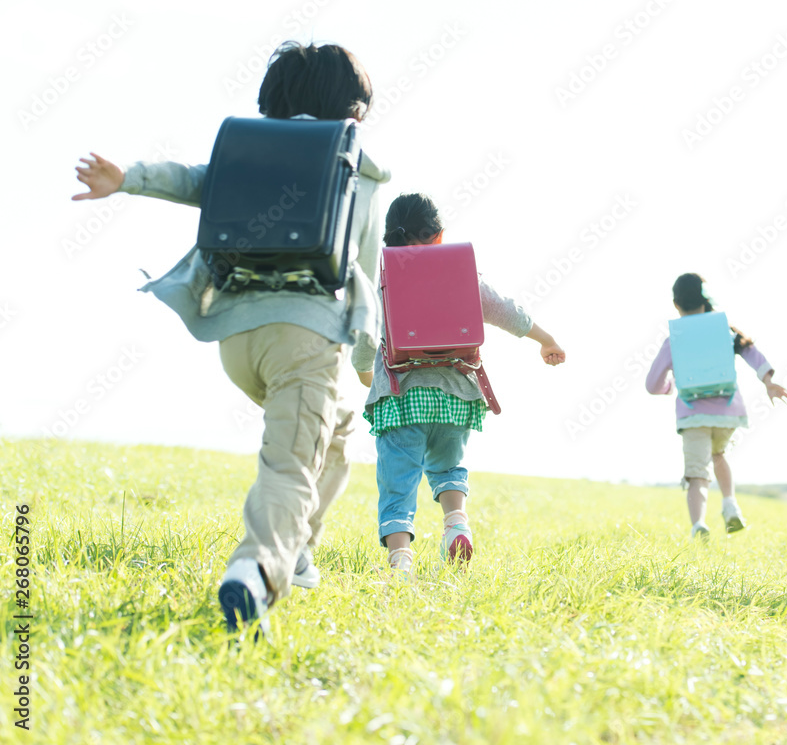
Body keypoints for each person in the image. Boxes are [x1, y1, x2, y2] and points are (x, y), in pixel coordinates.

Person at [71, 41, 390, 637]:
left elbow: (197, 182)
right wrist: (367, 356)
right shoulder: (358, 167)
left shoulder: (252, 147)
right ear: (352, 110)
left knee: (339, 429)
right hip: (307, 335)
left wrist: (128, 178)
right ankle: (256, 570)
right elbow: (366, 273)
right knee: (289, 465)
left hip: (236, 336)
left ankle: (296, 548)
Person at [355, 192, 566, 575]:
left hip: (401, 398)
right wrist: (545, 340)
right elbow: (504, 310)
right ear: (439, 235)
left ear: (389, 238)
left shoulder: (381, 278)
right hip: (456, 397)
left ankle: (400, 562)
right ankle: (456, 524)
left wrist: (364, 374)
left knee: (397, 484)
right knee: (449, 468)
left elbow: (363, 337)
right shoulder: (459, 272)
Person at [645, 273, 787, 538]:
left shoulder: (674, 339)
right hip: (728, 413)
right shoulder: (725, 330)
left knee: (697, 473)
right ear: (705, 300)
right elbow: (752, 353)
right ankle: (730, 504)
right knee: (718, 455)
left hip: (693, 415)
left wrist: (669, 387)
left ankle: (698, 525)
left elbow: (652, 384)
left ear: (676, 304)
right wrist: (768, 382)